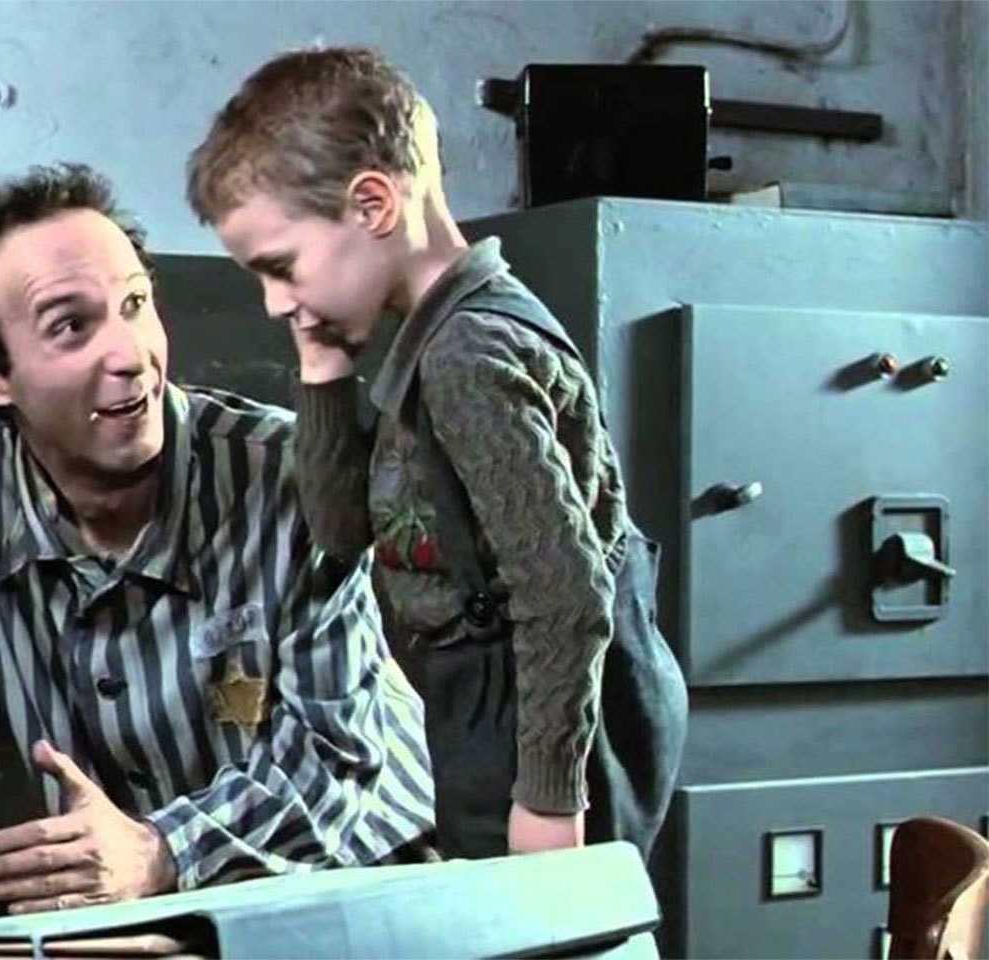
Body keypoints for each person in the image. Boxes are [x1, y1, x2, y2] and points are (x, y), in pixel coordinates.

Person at [0, 163, 437, 914]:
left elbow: (334, 760)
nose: (131, 355)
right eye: (71, 326)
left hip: (368, 890)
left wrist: (162, 850)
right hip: (140, 909)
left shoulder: (292, 479)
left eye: (135, 304)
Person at [186, 46, 687, 861]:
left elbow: (566, 593)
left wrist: (548, 801)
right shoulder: (431, 344)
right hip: (478, 711)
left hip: (535, 729)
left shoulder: (467, 354)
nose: (275, 302)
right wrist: (323, 369)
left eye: (282, 268)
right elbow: (343, 533)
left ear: (373, 204)